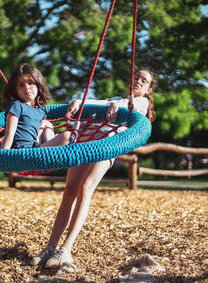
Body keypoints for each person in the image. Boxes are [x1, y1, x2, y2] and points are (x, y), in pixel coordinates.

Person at [30, 67, 157, 268]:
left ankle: (66, 249)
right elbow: (98, 103)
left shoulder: (141, 102)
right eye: (136, 77)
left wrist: (116, 105)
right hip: (87, 142)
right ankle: (50, 247)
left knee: (85, 188)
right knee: (69, 190)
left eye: (144, 81)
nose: (139, 81)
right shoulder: (114, 98)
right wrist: (79, 102)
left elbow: (130, 109)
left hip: (107, 146)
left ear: (149, 89)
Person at [0, 63, 70, 150]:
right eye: (21, 85)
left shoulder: (40, 111)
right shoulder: (16, 106)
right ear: (15, 90)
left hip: (35, 149)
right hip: (21, 152)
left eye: (30, 83)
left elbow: (36, 136)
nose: (27, 87)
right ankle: (53, 152)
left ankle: (52, 152)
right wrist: (2, 157)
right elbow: (9, 134)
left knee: (46, 124)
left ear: (38, 85)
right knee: (67, 136)